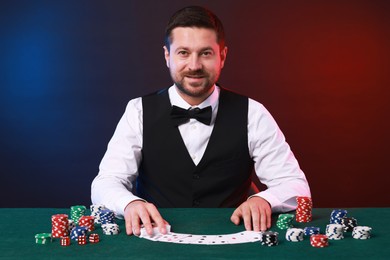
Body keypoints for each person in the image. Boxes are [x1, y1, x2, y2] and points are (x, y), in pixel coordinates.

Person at [91, 5, 311, 237]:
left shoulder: (253, 113)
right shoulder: (137, 111)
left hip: (233, 240)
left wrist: (264, 199)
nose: (194, 65)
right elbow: (106, 182)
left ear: (222, 57)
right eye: (183, 53)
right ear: (167, 56)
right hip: (156, 239)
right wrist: (130, 204)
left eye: (205, 53)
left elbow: (296, 186)